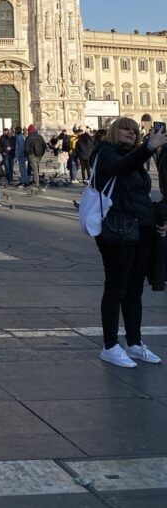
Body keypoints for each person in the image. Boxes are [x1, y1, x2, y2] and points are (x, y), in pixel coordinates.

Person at [94, 117, 167, 367]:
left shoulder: (134, 159)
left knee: (134, 289)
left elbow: (141, 195)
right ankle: (110, 345)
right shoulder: (104, 152)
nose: (131, 134)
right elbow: (119, 169)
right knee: (116, 287)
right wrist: (147, 148)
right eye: (126, 129)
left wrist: (158, 217)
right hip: (117, 230)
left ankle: (134, 343)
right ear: (115, 131)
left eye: (135, 131)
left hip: (140, 230)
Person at [25, 124, 47, 189]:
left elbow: (26, 148)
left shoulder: (28, 138)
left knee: (34, 169)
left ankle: (36, 183)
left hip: (32, 155)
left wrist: (27, 155)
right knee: (36, 168)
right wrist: (41, 154)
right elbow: (44, 145)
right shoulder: (40, 137)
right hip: (39, 155)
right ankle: (37, 180)